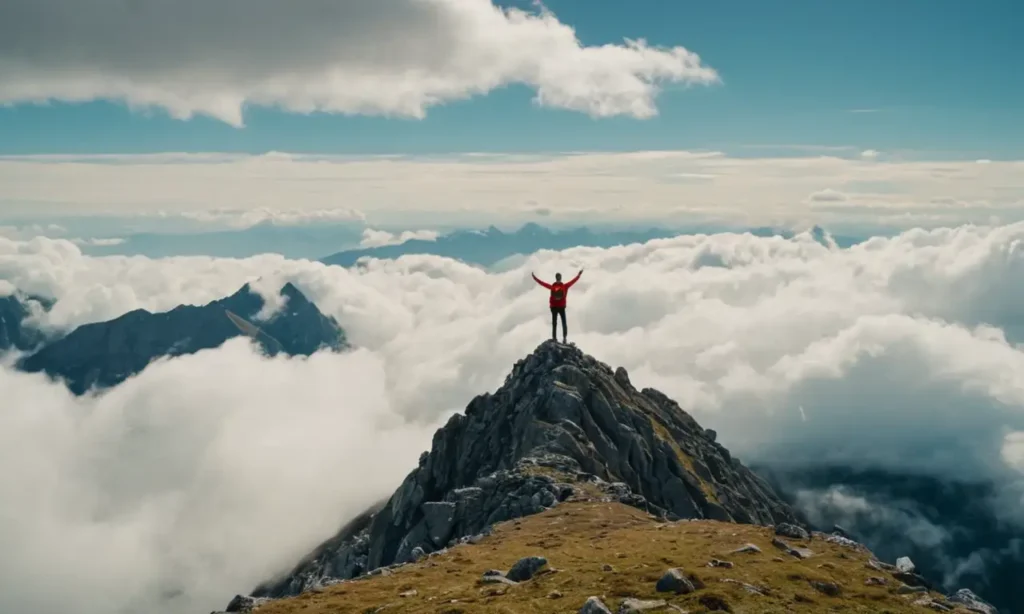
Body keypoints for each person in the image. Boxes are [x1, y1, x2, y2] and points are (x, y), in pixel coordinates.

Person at [532, 269, 583, 343]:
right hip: (562, 307)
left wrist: (534, 278)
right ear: (560, 278)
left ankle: (554, 338)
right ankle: (564, 338)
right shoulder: (565, 286)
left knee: (554, 323)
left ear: (556, 278)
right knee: (564, 322)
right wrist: (579, 275)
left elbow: (542, 283)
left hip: (554, 307)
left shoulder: (552, 287)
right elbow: (573, 281)